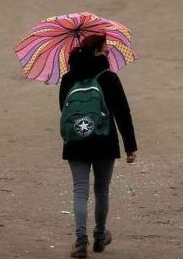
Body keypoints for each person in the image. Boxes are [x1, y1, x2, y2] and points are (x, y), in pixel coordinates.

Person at [59, 35, 137, 258]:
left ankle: (80, 241)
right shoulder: (109, 77)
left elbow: (64, 110)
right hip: (105, 140)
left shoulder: (68, 78)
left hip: (76, 141)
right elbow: (123, 113)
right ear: (96, 52)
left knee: (80, 191)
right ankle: (100, 235)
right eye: (105, 49)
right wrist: (130, 145)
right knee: (101, 190)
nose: (108, 52)